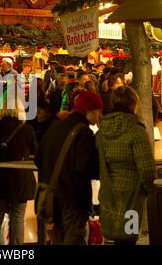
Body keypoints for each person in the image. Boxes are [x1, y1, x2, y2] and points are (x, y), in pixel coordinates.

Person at [36, 90, 102, 245]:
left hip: (53, 193)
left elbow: (39, 157)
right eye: (98, 111)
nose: (99, 116)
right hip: (74, 196)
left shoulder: (55, 127)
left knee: (59, 234)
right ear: (89, 110)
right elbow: (84, 166)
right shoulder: (84, 132)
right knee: (75, 235)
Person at [95, 86, 156, 245]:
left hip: (108, 192)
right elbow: (147, 169)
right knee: (130, 237)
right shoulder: (136, 131)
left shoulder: (101, 131)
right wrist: (148, 190)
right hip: (132, 196)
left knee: (113, 235)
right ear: (133, 104)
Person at [0, 100, 37, 245]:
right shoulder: (27, 129)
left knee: (0, 215)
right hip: (20, 177)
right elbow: (35, 150)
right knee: (18, 217)